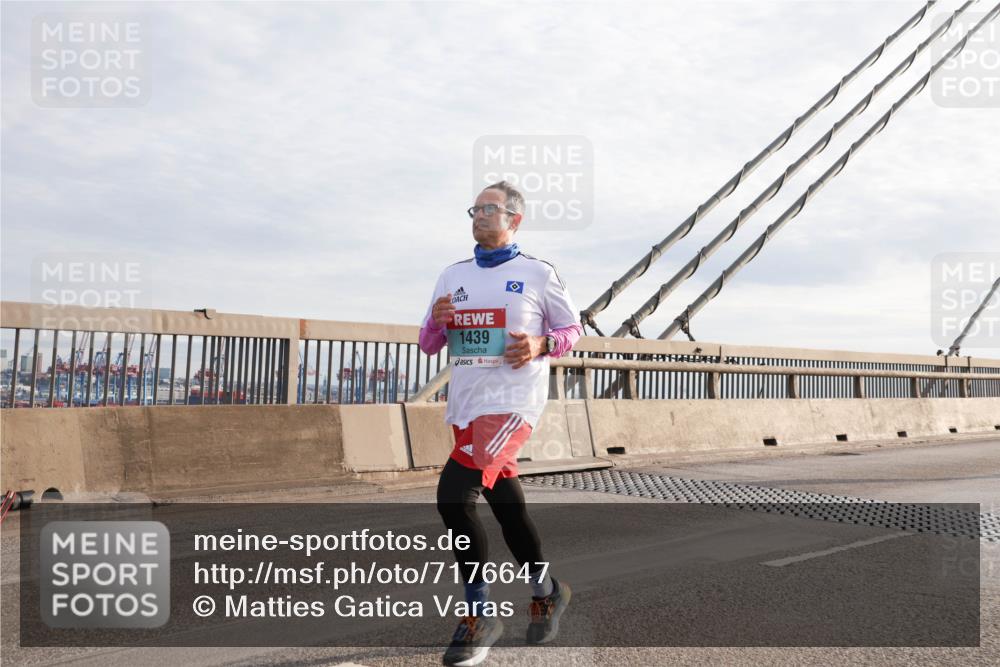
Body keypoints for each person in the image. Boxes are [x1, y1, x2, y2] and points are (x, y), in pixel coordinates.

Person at [419, 181, 583, 666]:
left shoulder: (537, 272)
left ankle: (479, 614)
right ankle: (547, 591)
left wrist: (539, 345)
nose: (479, 215)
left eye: (490, 209)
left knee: (453, 497)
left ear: (515, 219)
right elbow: (429, 344)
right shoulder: (452, 275)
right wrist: (436, 318)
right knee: (507, 508)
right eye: (475, 208)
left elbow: (572, 330)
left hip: (513, 404)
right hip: (466, 406)